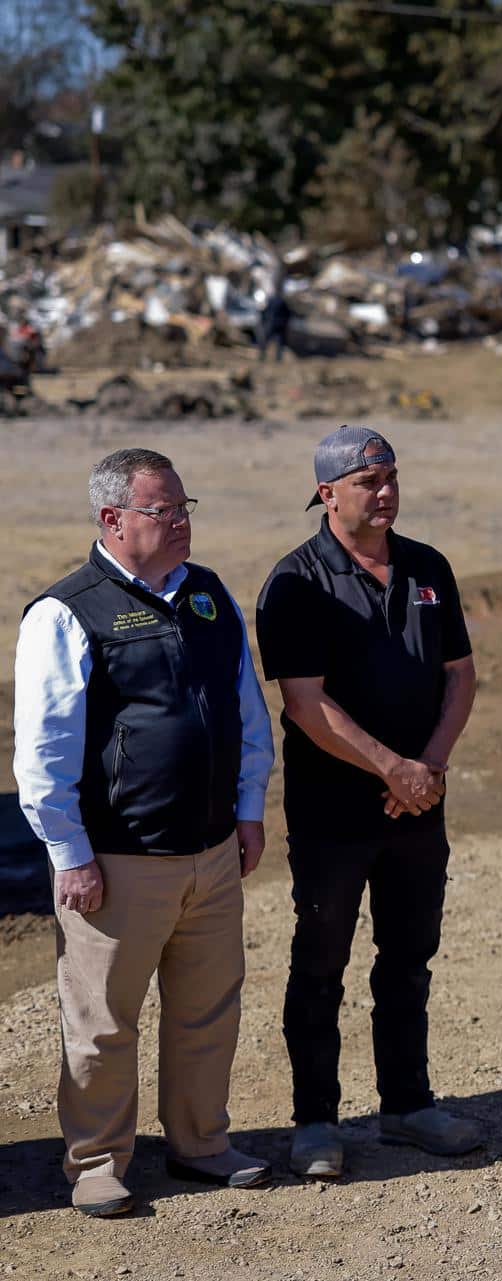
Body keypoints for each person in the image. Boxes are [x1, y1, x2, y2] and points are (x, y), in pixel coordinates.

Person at [13, 448, 275, 1216]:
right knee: (102, 1022)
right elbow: (43, 754)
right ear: (113, 519)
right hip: (119, 862)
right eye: (165, 511)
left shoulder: (206, 594)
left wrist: (249, 810)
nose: (182, 521)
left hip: (211, 853)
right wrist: (71, 853)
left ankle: (200, 1142)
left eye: (185, 506)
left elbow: (244, 711)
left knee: (207, 1008)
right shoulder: (67, 611)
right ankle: (97, 1160)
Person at [255, 426, 482, 1179]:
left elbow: (460, 675)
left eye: (389, 477)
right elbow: (304, 704)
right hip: (334, 813)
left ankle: (408, 1103)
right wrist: (391, 767)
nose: (384, 492)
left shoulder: (427, 567)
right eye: (366, 481)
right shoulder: (297, 581)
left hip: (419, 803)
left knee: (409, 956)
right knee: (321, 962)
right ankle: (316, 1119)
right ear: (327, 493)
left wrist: (429, 769)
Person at [258, 275, 292, 363]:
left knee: (266, 340)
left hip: (272, 323)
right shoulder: (283, 301)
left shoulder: (271, 300)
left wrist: (263, 320)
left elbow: (264, 311)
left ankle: (262, 355)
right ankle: (277, 358)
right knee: (279, 342)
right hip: (279, 324)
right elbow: (288, 313)